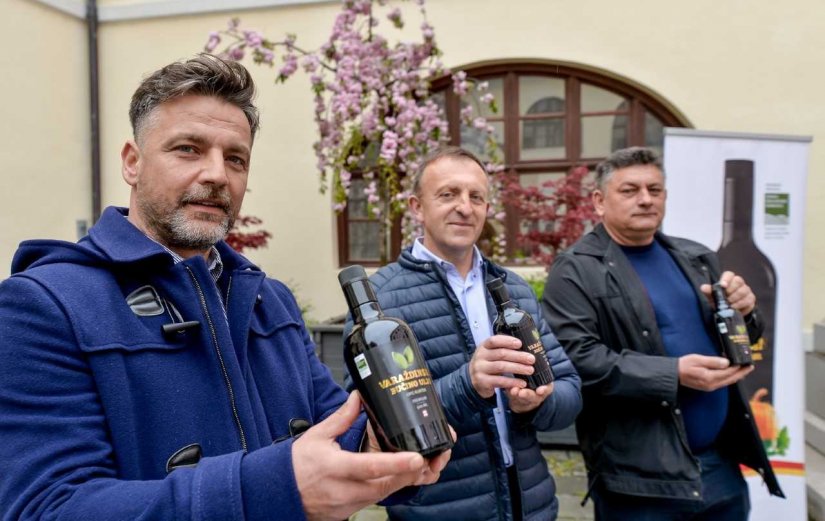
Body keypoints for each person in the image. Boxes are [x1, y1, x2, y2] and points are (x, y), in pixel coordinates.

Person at [0, 54, 450, 520]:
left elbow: (334, 427)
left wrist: (387, 445)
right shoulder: (41, 306)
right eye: (188, 149)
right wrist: (272, 489)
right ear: (132, 163)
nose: (217, 174)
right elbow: (45, 508)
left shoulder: (269, 299)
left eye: (235, 158)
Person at [542, 146, 784, 520]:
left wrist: (747, 314)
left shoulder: (697, 257)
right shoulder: (574, 270)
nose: (645, 199)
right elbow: (578, 359)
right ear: (599, 201)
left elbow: (738, 337)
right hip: (639, 481)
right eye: (630, 190)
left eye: (654, 190)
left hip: (720, 465)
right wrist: (674, 374)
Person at [346, 146, 582, 520]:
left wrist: (539, 401)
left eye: (476, 197)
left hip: (531, 504)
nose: (464, 207)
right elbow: (367, 427)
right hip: (439, 509)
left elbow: (570, 388)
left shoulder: (513, 289)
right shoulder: (379, 302)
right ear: (416, 207)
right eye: (448, 194)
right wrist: (468, 384)